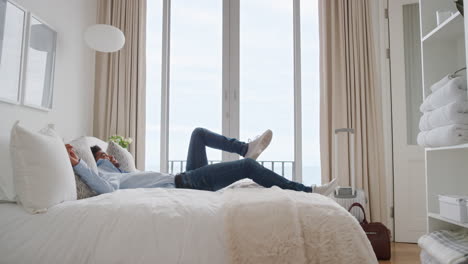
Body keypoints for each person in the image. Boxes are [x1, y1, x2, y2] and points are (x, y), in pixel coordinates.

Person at [67, 128, 337, 195]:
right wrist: (79, 163)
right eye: (104, 155)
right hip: (187, 184)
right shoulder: (109, 179)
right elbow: (101, 186)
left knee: (198, 133)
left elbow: (119, 168)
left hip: (183, 177)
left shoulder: (121, 172)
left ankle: (244, 147)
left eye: (109, 153)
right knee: (247, 169)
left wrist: (113, 160)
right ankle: (309, 191)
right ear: (98, 163)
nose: (110, 156)